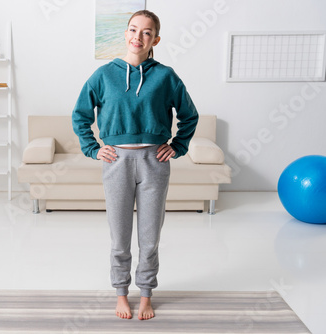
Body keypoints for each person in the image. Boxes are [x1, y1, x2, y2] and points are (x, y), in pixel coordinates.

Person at [72, 10, 199, 320]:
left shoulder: (166, 76)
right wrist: (92, 148)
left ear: (154, 39)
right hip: (117, 161)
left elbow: (189, 115)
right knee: (119, 237)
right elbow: (80, 115)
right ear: (125, 34)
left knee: (150, 237)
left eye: (146, 32)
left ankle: (145, 295)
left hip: (155, 162)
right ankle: (120, 293)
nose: (137, 37)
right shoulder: (103, 75)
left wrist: (178, 145)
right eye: (132, 29)